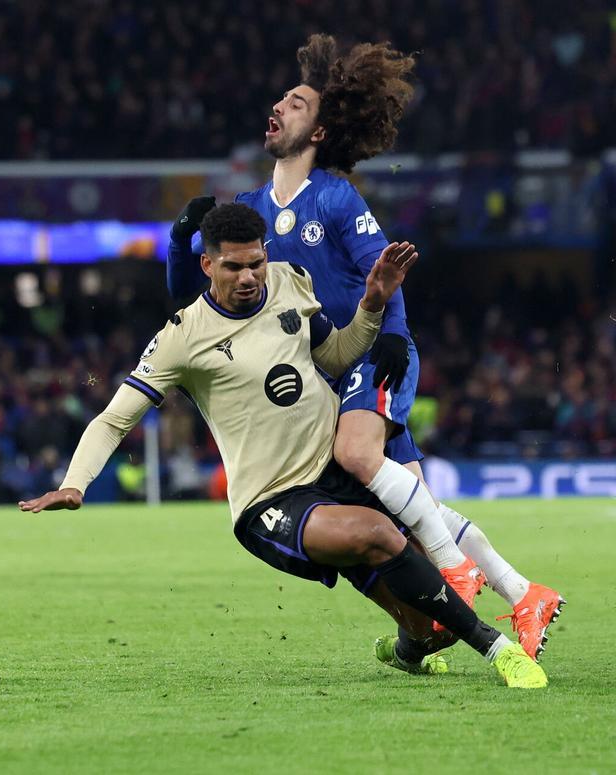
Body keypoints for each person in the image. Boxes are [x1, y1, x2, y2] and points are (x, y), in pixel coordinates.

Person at [24, 203, 545, 688]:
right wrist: (75, 483)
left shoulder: (290, 284)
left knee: (436, 628)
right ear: (206, 264)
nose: (249, 277)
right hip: (271, 500)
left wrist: (372, 304)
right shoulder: (181, 337)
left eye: (256, 262)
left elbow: (337, 357)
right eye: (233, 267)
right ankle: (497, 649)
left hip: (335, 476)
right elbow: (114, 419)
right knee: (379, 532)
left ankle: (411, 647)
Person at [166, 35, 561, 660]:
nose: (279, 106)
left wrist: (396, 342)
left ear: (319, 132)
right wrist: (180, 239)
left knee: (356, 457)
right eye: (282, 99)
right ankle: (521, 591)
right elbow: (191, 287)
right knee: (409, 502)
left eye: (295, 103)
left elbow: (382, 274)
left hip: (371, 355)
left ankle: (457, 573)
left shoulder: (334, 196)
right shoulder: (249, 210)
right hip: (330, 370)